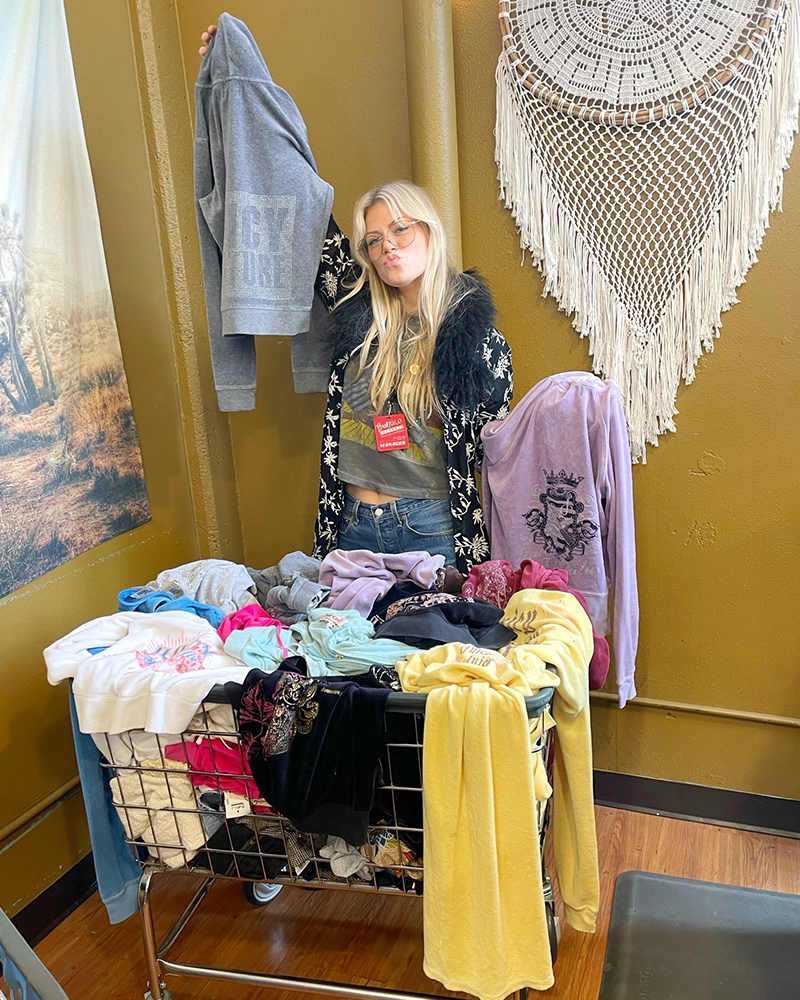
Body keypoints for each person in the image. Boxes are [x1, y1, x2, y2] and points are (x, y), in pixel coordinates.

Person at [199, 28, 512, 574]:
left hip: (431, 526)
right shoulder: (358, 307)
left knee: (425, 659)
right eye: (374, 239)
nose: (387, 246)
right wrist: (235, 74)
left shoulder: (475, 338)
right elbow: (301, 193)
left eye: (401, 231)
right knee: (344, 658)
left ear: (430, 232)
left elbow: (501, 453)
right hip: (351, 521)